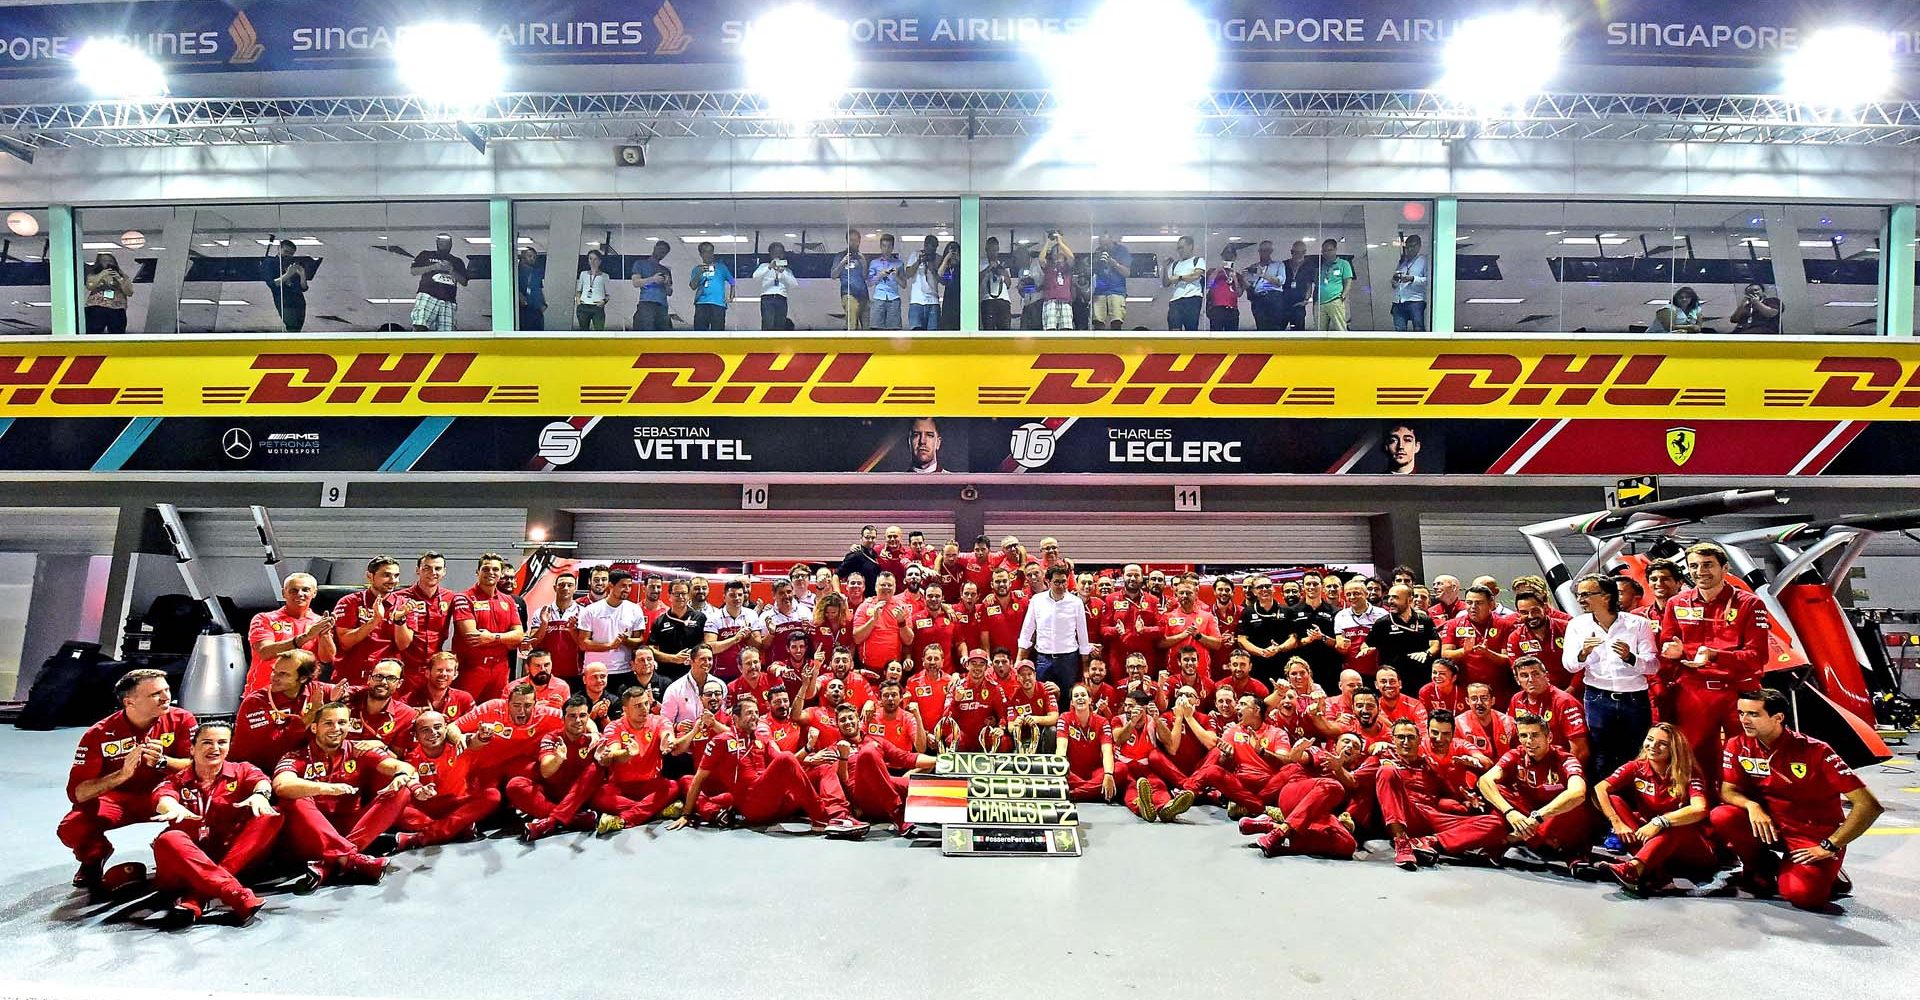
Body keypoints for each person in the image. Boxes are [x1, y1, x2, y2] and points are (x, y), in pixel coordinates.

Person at [1711, 688, 1883, 911]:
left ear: (1778, 718)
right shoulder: (1737, 745)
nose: (1744, 720)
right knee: (1723, 815)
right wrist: (1752, 806)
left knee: (1803, 896)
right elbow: (1728, 791)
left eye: (1753, 714)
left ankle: (1830, 870)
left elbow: (1869, 805)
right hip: (1772, 827)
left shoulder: (1816, 751)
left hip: (1812, 835)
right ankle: (1761, 868)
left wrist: (1831, 845)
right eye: (1741, 713)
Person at [59, 669, 197, 892]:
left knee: (204, 808)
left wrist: (164, 762)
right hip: (118, 800)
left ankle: (177, 855)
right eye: (155, 694)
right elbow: (78, 793)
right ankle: (94, 856)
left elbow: (199, 767)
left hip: (166, 795)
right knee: (73, 826)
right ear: (129, 702)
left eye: (167, 690)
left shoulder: (182, 719)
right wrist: (121, 774)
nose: (166, 698)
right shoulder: (99, 734)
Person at [147, 721, 280, 927]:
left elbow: (261, 781)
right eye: (207, 742)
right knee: (168, 839)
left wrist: (261, 795)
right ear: (192, 748)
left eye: (222, 742)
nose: (215, 748)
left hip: (230, 855)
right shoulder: (176, 780)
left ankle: (197, 897)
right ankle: (233, 892)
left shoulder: (242, 770)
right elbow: (162, 797)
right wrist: (171, 806)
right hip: (187, 865)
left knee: (271, 815)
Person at [1658, 542, 1769, 778]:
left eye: (1708, 565)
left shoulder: (1750, 603)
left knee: (1749, 755)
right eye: (1694, 566)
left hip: (1739, 691)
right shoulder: (1676, 603)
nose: (1700, 571)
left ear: (1725, 567)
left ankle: (1750, 807)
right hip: (1694, 691)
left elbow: (1758, 657)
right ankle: (1701, 808)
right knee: (1693, 756)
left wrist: (1715, 655)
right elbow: (1667, 649)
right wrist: (1672, 653)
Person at [1370, 714, 1510, 870]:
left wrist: (1466, 796)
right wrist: (1374, 746)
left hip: (1432, 817)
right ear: (1393, 739)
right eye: (1400, 737)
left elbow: (1453, 790)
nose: (1406, 742)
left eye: (1410, 737)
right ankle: (1401, 842)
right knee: (1387, 771)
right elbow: (1356, 775)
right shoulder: (1384, 758)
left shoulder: (1430, 764)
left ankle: (1427, 842)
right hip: (1406, 814)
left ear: (1419, 739)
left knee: (1495, 824)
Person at [1594, 723, 1716, 895]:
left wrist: (1661, 822)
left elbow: (1700, 808)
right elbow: (1600, 788)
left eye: (1662, 744)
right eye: (1650, 740)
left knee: (1677, 824)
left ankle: (1635, 869)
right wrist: (1617, 823)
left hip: (1690, 848)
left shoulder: (1689, 773)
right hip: (1650, 840)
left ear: (1674, 749)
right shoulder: (1636, 767)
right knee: (1614, 800)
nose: (1653, 746)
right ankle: (1654, 872)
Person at [1564, 574, 1660, 781]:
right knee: (1601, 753)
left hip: (1634, 698)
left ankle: (1635, 802)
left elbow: (1653, 666)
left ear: (1606, 596)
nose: (1580, 600)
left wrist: (1630, 657)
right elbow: (1570, 665)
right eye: (1579, 595)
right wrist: (1583, 653)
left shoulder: (1639, 624)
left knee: (1637, 751)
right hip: (1597, 698)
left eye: (1586, 594)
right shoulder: (1576, 625)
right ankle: (1604, 802)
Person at [1477, 712, 1591, 866]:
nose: (1529, 741)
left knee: (1575, 804)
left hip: (1552, 816)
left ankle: (1512, 838)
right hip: (1526, 812)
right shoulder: (1516, 754)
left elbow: (1578, 793)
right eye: (1524, 736)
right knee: (1496, 789)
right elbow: (1484, 781)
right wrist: (1510, 812)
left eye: (1535, 735)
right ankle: (1539, 839)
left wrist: (1538, 818)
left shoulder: (1565, 759)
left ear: (1549, 737)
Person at [394, 710, 500, 851]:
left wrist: (483, 735)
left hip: (458, 803)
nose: (433, 733)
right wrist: (421, 791)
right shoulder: (411, 758)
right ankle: (458, 828)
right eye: (425, 730)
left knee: (492, 795)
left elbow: (475, 741)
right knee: (398, 810)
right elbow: (412, 782)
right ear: (416, 736)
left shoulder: (459, 745)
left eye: (437, 727)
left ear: (446, 728)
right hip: (427, 810)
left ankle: (421, 838)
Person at [513, 695, 611, 841]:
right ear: (563, 719)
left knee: (597, 767)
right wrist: (558, 758)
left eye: (582, 715)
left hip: (581, 797)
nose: (577, 721)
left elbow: (608, 764)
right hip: (552, 795)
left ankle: (549, 823)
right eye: (572, 716)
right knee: (515, 785)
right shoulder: (552, 738)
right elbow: (545, 772)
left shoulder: (595, 740)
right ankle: (574, 819)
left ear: (588, 718)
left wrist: (606, 759)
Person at [245, 572, 334, 694]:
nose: (300, 594)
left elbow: (327, 658)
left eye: (305, 590)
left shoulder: (319, 622)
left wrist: (325, 634)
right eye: (293, 590)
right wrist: (306, 637)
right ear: (283, 593)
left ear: (314, 593)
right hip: (263, 693)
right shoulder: (264, 619)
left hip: (301, 695)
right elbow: (264, 652)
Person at [452, 552, 524, 699]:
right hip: (471, 668)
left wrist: (492, 637)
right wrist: (506, 639)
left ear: (501, 573)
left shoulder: (509, 600)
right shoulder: (463, 598)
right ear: (477, 572)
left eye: (495, 570)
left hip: (501, 668)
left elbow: (519, 636)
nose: (490, 573)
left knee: (495, 712)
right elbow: (472, 637)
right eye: (485, 569)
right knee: (467, 713)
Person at [331, 555, 408, 688]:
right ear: (370, 576)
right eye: (386, 575)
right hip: (351, 676)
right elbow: (345, 642)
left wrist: (399, 620)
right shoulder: (349, 602)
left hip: (386, 680)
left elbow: (404, 646)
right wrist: (374, 621)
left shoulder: (404, 604)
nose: (393, 580)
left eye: (396, 576)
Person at [1018, 565, 1092, 691]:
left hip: (1068, 659)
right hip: (1043, 658)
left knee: (1066, 696)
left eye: (1064, 582)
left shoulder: (1076, 602)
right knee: (1043, 694)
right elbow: (1027, 631)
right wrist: (1019, 658)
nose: (1061, 586)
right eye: (1057, 582)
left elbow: (1082, 635)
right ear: (1048, 581)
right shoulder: (1037, 600)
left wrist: (1085, 667)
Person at [1442, 585, 1517, 704]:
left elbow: (1509, 660)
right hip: (1465, 689)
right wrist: (1464, 651)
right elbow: (1445, 654)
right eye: (1469, 602)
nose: (1473, 607)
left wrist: (1488, 653)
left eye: (1479, 603)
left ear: (1491, 604)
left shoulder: (1505, 625)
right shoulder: (1453, 624)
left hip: (1498, 690)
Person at [344, 659, 419, 754]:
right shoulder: (349, 699)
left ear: (399, 683)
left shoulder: (406, 714)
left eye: (391, 678)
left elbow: (397, 757)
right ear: (369, 679)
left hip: (377, 764)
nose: (383, 682)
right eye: (378, 676)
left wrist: (381, 745)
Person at [1367, 584, 1439, 681]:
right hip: (1394, 678)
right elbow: (1367, 644)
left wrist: (1427, 653)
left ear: (1409, 600)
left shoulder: (1424, 620)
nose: (1390, 601)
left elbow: (1435, 644)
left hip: (1421, 675)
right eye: (1389, 597)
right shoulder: (1382, 623)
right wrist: (1365, 650)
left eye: (1395, 597)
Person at [704, 579, 767, 682]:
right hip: (722, 673)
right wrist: (735, 639)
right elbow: (710, 648)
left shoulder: (752, 615)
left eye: (740, 595)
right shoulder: (713, 618)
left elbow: (758, 647)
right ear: (724, 597)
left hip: (748, 673)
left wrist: (748, 637)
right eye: (732, 595)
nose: (737, 598)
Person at [646, 578, 708, 678]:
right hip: (666, 675)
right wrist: (673, 658)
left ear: (688, 596)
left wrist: (694, 655)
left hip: (694, 673)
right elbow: (651, 649)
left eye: (684, 593)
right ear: (669, 596)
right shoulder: (660, 621)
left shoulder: (700, 618)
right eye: (676, 594)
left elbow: (706, 644)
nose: (681, 597)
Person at [408, 233, 469, 332]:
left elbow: (464, 282)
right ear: (437, 243)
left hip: (448, 299)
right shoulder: (426, 255)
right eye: (441, 241)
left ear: (451, 244)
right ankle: (418, 346)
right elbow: (414, 271)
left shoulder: (457, 261)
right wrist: (435, 267)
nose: (444, 244)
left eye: (447, 242)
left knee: (447, 332)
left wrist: (451, 270)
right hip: (428, 294)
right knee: (420, 324)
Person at [627, 239, 674, 330]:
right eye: (660, 249)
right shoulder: (640, 264)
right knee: (646, 330)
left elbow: (670, 292)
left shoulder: (665, 270)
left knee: (663, 333)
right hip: (647, 303)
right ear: (654, 248)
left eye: (664, 252)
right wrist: (653, 279)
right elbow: (636, 282)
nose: (661, 253)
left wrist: (667, 283)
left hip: (662, 306)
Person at [266, 238, 311, 333]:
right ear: (279, 249)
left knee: (298, 328)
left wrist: (302, 274)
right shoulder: (270, 262)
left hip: (299, 301)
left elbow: (303, 288)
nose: (287, 255)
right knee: (292, 327)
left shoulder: (292, 264)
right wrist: (288, 275)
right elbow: (272, 284)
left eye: (291, 254)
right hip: (284, 301)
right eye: (285, 251)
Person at [1160, 236, 1205, 331]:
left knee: (1191, 328)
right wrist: (1164, 267)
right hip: (1176, 300)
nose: (1180, 251)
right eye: (1178, 248)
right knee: (1174, 327)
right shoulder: (1175, 265)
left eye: (1182, 247)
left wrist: (1179, 278)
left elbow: (1196, 276)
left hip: (1192, 298)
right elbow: (1166, 283)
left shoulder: (1197, 260)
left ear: (1190, 246)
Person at [688, 241, 734, 331]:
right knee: (700, 331)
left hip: (718, 303)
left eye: (710, 251)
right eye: (705, 252)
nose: (708, 254)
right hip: (701, 303)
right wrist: (699, 273)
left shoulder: (721, 267)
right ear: (701, 254)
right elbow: (693, 286)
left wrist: (731, 297)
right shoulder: (697, 269)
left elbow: (732, 281)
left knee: (718, 331)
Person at [1034, 231, 1076, 331]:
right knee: (1050, 329)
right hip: (1050, 300)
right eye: (1056, 251)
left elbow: (1071, 257)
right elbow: (1041, 259)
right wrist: (1048, 242)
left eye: (1060, 251)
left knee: (1066, 329)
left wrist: (1060, 243)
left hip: (1065, 301)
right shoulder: (1049, 266)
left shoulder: (1067, 267)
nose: (1058, 253)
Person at [84, 251, 134, 334]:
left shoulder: (122, 275)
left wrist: (119, 280)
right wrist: (101, 275)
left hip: (117, 308)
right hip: (96, 307)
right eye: (103, 261)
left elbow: (129, 292)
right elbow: (90, 286)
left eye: (110, 261)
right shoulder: (93, 274)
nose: (107, 263)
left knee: (117, 332)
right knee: (94, 331)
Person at [753, 242, 799, 330]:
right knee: (768, 323)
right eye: (775, 253)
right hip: (767, 298)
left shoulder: (787, 270)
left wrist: (783, 272)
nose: (777, 255)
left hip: (781, 298)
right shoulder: (764, 266)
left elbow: (794, 285)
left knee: (780, 324)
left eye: (780, 253)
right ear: (770, 254)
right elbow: (755, 277)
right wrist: (769, 267)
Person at [1243, 240, 1287, 331]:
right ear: (1259, 251)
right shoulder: (1253, 267)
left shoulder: (1278, 265)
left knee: (1275, 327)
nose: (1264, 253)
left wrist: (1263, 274)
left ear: (1271, 251)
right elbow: (1249, 286)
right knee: (1261, 327)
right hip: (1258, 298)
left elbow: (1280, 281)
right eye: (1262, 250)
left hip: (1274, 297)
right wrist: (1243, 278)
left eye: (1266, 250)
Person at [1090, 233, 1130, 330]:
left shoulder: (1121, 251)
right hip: (1100, 290)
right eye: (1102, 244)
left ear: (1111, 240)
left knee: (1116, 320)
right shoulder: (1098, 251)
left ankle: (1116, 344)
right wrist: (1097, 262)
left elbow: (1127, 273)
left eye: (1106, 244)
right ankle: (1100, 344)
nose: (1104, 247)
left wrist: (1114, 264)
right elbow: (1092, 271)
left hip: (1116, 290)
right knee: (1098, 321)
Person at [1313, 238, 1355, 331]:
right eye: (1324, 251)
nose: (1326, 253)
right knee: (1319, 331)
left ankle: (1344, 345)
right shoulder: (1321, 265)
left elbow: (1348, 282)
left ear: (1335, 249)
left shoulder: (1344, 264)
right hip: (1320, 302)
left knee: (1340, 329)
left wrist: (1342, 297)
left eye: (1329, 250)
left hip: (1335, 300)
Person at [1389, 234, 1429, 331]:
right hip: (1398, 301)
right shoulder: (1402, 261)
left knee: (1418, 328)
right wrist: (1394, 280)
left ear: (1419, 246)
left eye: (1413, 246)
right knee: (1399, 330)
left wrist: (1412, 278)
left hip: (1415, 300)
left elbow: (1429, 280)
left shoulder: (1424, 260)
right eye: (1408, 246)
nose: (1409, 249)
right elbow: (1395, 281)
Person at [905, 234, 943, 331]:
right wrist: (919, 261)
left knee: (933, 336)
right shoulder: (915, 255)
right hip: (916, 301)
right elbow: (908, 274)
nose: (930, 251)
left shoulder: (939, 259)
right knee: (916, 335)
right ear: (924, 245)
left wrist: (933, 268)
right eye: (928, 247)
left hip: (933, 301)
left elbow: (943, 280)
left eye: (933, 248)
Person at [866, 233, 903, 330]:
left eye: (889, 246)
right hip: (878, 298)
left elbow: (904, 285)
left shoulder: (899, 263)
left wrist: (895, 277)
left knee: (894, 330)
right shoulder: (874, 263)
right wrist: (879, 275)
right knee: (876, 329)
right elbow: (869, 283)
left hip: (894, 299)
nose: (886, 249)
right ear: (880, 247)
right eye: (884, 246)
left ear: (892, 247)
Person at [1205, 246, 1244, 331]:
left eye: (1231, 257)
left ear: (1234, 258)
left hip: (1232, 309)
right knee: (1216, 336)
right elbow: (1208, 285)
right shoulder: (1213, 271)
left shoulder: (1238, 276)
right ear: (1222, 257)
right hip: (1216, 308)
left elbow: (1239, 293)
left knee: (1231, 337)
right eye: (1226, 256)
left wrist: (1235, 279)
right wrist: (1218, 270)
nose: (1228, 259)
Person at [980, 236, 1015, 330]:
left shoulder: (1002, 264)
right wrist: (989, 268)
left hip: (1003, 301)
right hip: (987, 301)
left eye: (995, 250)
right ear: (986, 250)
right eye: (991, 250)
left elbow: (1008, 284)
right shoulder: (980, 264)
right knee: (988, 330)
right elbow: (977, 280)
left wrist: (1001, 270)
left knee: (1004, 330)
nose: (993, 253)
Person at [1280, 239, 1315, 331]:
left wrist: (1306, 300)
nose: (1298, 255)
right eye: (1295, 252)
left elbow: (1309, 284)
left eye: (1301, 252)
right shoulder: (1284, 264)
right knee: (1278, 330)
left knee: (1298, 331)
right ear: (1291, 252)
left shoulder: (1309, 266)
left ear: (1305, 252)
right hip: (1284, 303)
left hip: (1299, 304)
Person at [515, 244, 545, 330]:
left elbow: (539, 289)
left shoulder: (535, 273)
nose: (532, 259)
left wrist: (543, 303)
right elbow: (514, 287)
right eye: (530, 256)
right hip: (523, 310)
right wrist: (520, 296)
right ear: (522, 257)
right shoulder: (515, 272)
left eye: (534, 257)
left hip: (536, 309)